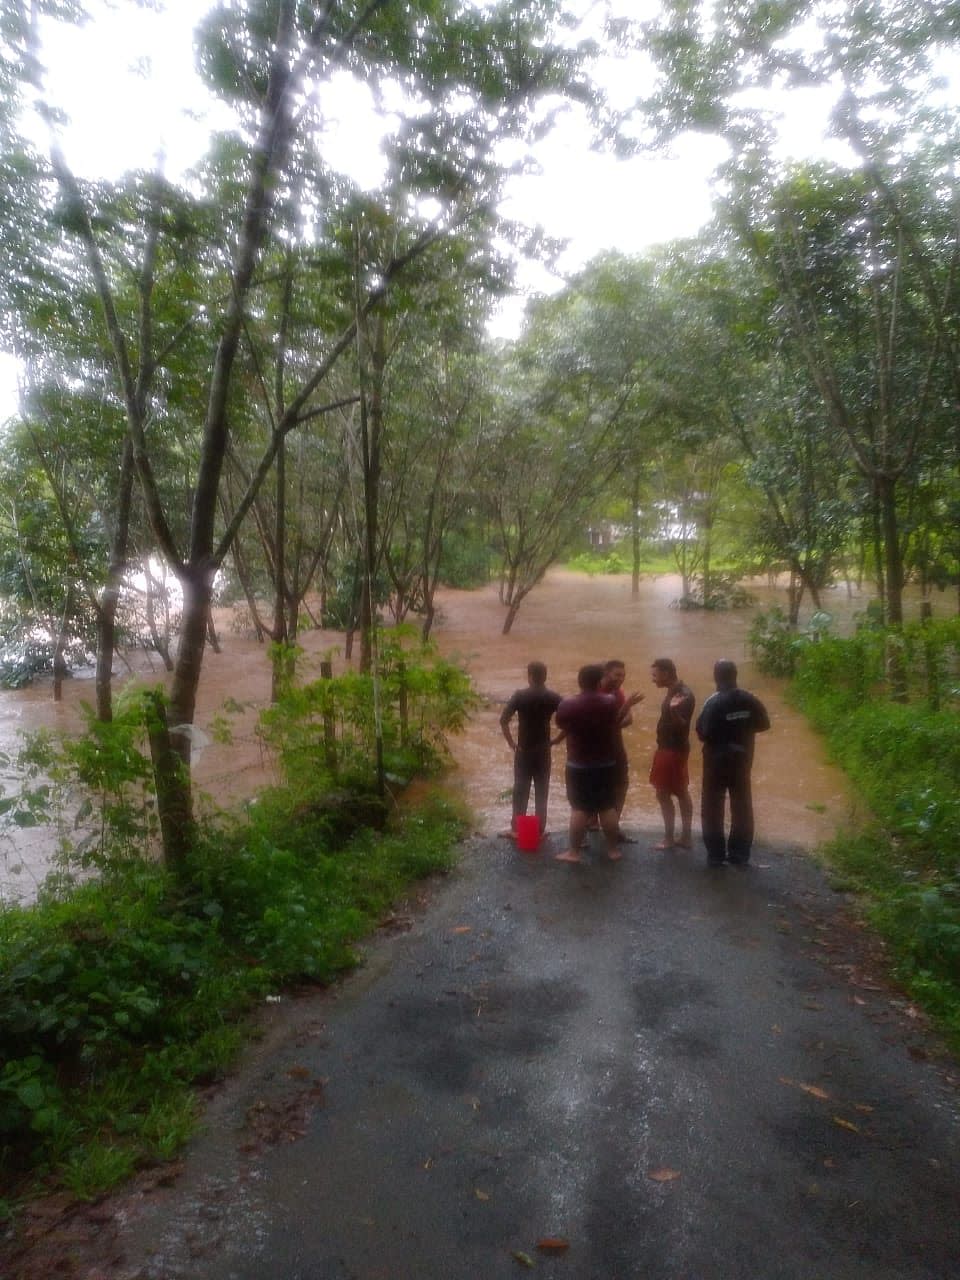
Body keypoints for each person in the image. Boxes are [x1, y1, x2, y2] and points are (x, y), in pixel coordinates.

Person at [554, 663, 643, 864]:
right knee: (607, 807)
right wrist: (627, 705)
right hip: (606, 763)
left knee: (579, 808)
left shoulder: (568, 704)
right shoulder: (610, 702)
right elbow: (617, 722)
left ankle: (574, 852)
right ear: (599, 681)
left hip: (579, 763)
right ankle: (612, 850)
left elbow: (561, 724)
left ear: (580, 681)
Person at [696, 659, 771, 867]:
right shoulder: (750, 699)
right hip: (742, 760)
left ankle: (716, 855)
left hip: (716, 763)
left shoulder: (714, 701)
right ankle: (740, 854)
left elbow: (702, 732)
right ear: (735, 675)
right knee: (742, 806)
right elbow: (764, 724)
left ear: (716, 676)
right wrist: (741, 727)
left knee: (712, 806)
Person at [499, 661, 563, 838]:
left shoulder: (520, 695)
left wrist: (512, 744)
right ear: (545, 676)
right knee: (542, 791)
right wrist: (557, 740)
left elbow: (503, 720)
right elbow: (570, 720)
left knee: (520, 789)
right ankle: (539, 830)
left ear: (530, 676)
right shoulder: (553, 697)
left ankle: (516, 830)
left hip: (524, 750)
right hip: (544, 751)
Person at [649, 657, 695, 850]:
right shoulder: (676, 690)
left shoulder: (682, 695)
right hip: (674, 748)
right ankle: (685, 837)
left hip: (671, 750)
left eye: (655, 674)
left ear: (666, 673)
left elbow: (683, 724)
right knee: (680, 791)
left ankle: (670, 838)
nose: (653, 679)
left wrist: (674, 711)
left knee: (663, 793)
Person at [596, 659, 642, 841]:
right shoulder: (597, 694)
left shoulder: (618, 692)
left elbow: (628, 720)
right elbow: (605, 723)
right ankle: (602, 829)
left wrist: (613, 724)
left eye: (623, 675)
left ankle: (612, 826)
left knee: (621, 785)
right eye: (617, 675)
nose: (621, 678)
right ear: (606, 673)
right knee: (603, 787)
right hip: (600, 748)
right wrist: (627, 705)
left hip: (615, 745)